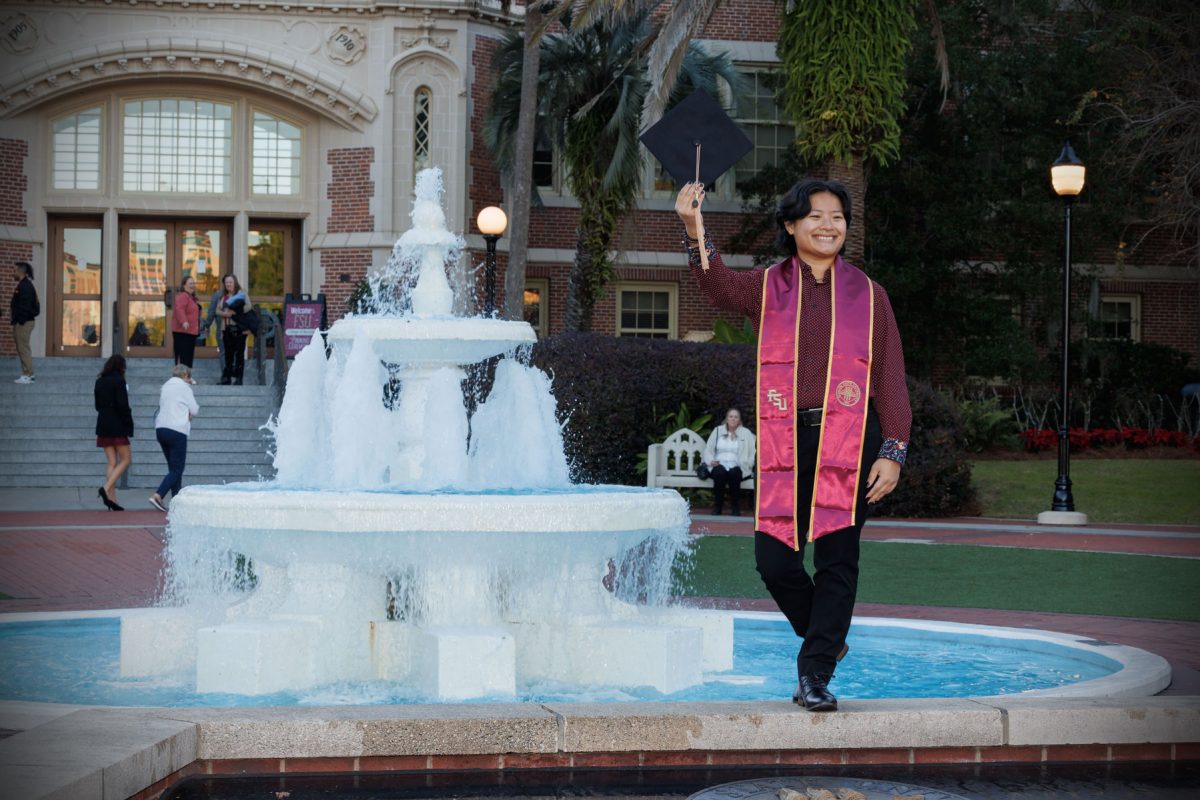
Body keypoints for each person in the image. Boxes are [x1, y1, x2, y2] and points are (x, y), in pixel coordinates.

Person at [676, 178, 911, 713]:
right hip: (787, 437)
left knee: (837, 559)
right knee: (774, 560)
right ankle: (826, 635)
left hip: (850, 440)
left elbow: (891, 381)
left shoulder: (871, 297)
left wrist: (892, 450)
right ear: (791, 225)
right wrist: (695, 229)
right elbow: (719, 289)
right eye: (816, 216)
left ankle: (815, 674)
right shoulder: (768, 287)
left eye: (838, 217)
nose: (829, 225)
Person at [149, 364, 199, 512]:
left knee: (173, 468)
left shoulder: (165, 387)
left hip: (161, 429)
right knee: (177, 469)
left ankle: (176, 501)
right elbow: (195, 409)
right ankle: (158, 495)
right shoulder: (184, 388)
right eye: (189, 377)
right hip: (177, 430)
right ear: (185, 376)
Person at [94, 354, 134, 511]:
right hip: (117, 424)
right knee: (126, 460)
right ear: (121, 367)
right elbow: (123, 405)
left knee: (111, 462)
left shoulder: (99, 381)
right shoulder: (119, 381)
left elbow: (97, 405)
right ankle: (106, 488)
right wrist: (129, 424)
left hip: (103, 423)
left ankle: (112, 499)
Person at [703, 408, 756, 516]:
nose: (733, 419)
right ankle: (718, 507)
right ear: (727, 419)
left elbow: (753, 452)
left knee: (734, 473)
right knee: (719, 473)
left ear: (739, 420)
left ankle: (735, 507)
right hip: (718, 463)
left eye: (736, 417)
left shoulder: (746, 433)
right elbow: (708, 449)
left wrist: (749, 464)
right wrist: (711, 461)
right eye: (731, 416)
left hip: (739, 465)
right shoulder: (717, 430)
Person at [216, 274, 251, 385]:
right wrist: (224, 313)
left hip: (239, 328)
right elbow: (217, 310)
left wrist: (235, 312)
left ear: (235, 282)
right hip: (226, 328)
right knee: (228, 354)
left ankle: (239, 379)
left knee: (239, 354)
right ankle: (227, 378)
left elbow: (248, 306)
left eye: (230, 282)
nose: (228, 285)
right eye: (226, 283)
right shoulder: (223, 296)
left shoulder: (241, 293)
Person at [10, 260, 39, 384]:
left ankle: (28, 375)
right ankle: (27, 374)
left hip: (24, 322)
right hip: (23, 321)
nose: (13, 272)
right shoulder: (24, 284)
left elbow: (25, 306)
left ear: (20, 271)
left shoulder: (25, 286)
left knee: (23, 349)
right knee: (22, 348)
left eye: (14, 270)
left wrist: (20, 321)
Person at [171, 276, 201, 368]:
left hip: (190, 332)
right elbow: (179, 309)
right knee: (183, 358)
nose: (193, 285)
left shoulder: (191, 298)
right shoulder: (182, 296)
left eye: (193, 283)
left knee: (188, 357)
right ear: (184, 286)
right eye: (190, 283)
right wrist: (184, 321)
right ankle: (181, 379)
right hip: (182, 332)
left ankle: (187, 377)